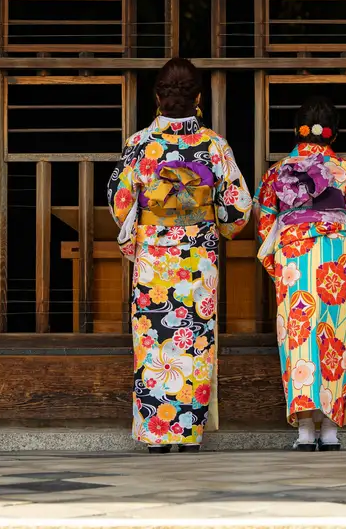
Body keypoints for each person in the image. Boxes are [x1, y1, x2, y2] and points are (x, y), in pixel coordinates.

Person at [108, 58, 252, 454]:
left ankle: (157, 434)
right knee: (194, 343)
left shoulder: (140, 145)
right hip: (197, 258)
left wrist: (137, 237)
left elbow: (120, 202)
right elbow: (237, 208)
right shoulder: (213, 145)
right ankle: (188, 432)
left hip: (154, 256)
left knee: (154, 342)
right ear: (199, 97)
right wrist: (217, 226)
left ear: (158, 96)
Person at [256, 96, 346, 451]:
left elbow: (265, 222)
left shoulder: (278, 171)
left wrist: (276, 262)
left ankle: (305, 430)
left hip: (293, 256)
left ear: (297, 131)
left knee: (298, 335)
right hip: (336, 255)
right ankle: (332, 430)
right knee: (334, 335)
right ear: (333, 135)